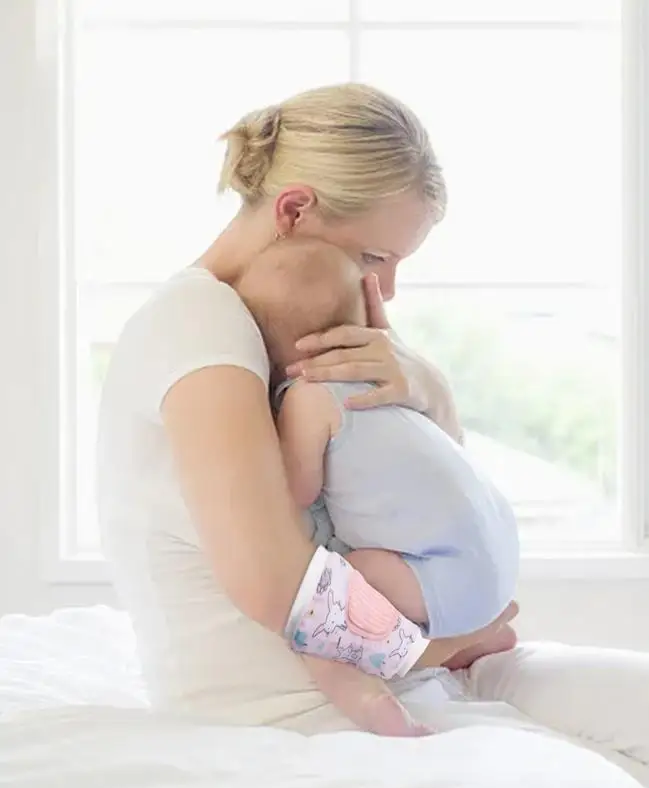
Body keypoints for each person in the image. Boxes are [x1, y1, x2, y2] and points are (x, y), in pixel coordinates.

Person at [97, 82, 515, 731]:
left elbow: (438, 490)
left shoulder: (292, 324)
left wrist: (425, 384)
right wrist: (455, 642)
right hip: (286, 717)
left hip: (388, 688)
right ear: (293, 210)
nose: (389, 288)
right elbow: (278, 587)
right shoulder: (199, 323)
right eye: (374, 258)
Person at [234, 235, 519, 734]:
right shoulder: (389, 379)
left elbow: (299, 493)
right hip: (494, 554)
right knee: (369, 572)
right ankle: (472, 640)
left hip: (448, 576)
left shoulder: (307, 397)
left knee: (325, 594)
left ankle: (366, 698)